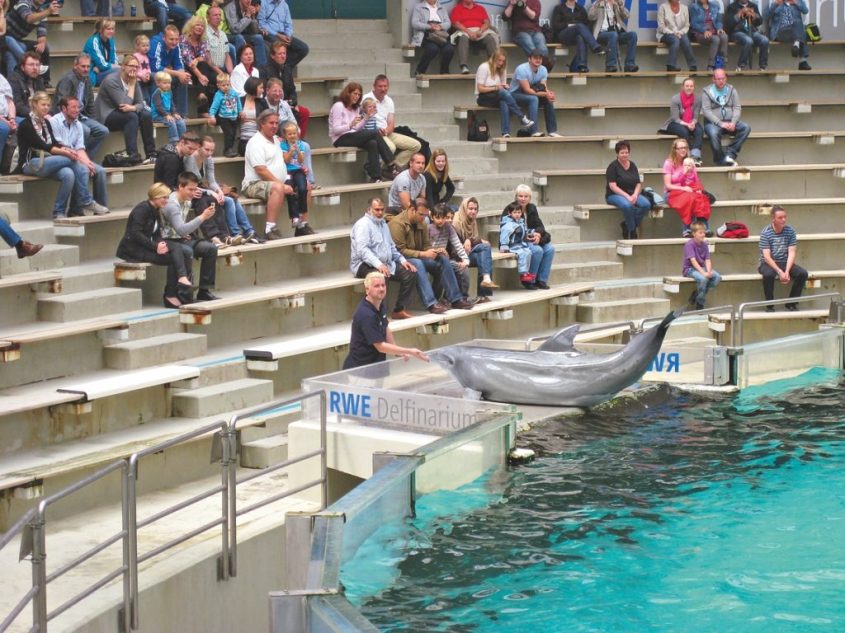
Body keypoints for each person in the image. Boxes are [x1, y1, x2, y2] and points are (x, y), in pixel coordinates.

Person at [18, 92, 105, 218]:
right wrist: (68, 153)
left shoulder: (46, 123)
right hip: (31, 163)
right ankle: (86, 200)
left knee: (68, 174)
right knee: (72, 160)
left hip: (49, 161)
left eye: (48, 105)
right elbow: (45, 146)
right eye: (43, 105)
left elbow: (54, 143)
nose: (46, 108)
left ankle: (59, 211)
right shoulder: (26, 124)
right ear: (35, 104)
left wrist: (68, 150)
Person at [116, 182, 195, 308]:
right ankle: (171, 293)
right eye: (164, 197)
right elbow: (135, 233)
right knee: (174, 257)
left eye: (168, 197)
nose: (167, 201)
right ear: (155, 197)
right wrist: (155, 246)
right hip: (133, 250)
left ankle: (181, 287)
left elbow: (157, 232)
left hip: (147, 246)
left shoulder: (156, 209)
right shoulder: (142, 209)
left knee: (181, 250)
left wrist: (160, 244)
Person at [389, 196, 474, 313]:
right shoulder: (397, 224)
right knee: (418, 263)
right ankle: (431, 303)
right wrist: (424, 253)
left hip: (418, 256)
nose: (424, 218)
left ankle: (456, 299)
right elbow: (399, 251)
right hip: (400, 260)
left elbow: (426, 245)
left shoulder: (422, 223)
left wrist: (435, 251)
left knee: (443, 259)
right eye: (421, 214)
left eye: (425, 215)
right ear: (412, 210)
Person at [349, 197, 420, 320]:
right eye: (377, 210)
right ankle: (379, 314)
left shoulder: (383, 224)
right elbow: (363, 251)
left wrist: (403, 261)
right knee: (380, 277)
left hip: (386, 263)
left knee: (410, 272)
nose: (380, 212)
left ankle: (399, 310)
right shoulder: (363, 225)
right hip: (363, 265)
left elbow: (392, 247)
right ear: (369, 210)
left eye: (382, 209)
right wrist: (379, 265)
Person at [342, 271, 430, 370]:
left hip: (376, 365)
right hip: (360, 369)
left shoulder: (379, 304)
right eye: (376, 286)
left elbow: (385, 327)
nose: (381, 289)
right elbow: (380, 346)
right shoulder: (367, 315)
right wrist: (409, 351)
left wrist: (397, 352)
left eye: (383, 285)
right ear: (367, 290)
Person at [159, 171, 220, 302]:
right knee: (186, 251)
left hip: (181, 238)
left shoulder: (187, 201)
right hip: (167, 241)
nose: (193, 193)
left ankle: (204, 291)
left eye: (195, 189)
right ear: (180, 187)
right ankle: (181, 293)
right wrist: (202, 217)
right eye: (190, 189)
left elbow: (182, 229)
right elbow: (181, 230)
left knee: (210, 249)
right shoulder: (171, 204)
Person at [185, 135, 258, 244]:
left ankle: (247, 231)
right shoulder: (190, 159)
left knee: (232, 199)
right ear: (199, 147)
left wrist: (219, 191)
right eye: (207, 149)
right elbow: (192, 183)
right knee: (227, 201)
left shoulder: (208, 159)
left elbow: (211, 180)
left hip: (203, 189)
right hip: (194, 191)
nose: (209, 153)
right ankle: (235, 233)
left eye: (212, 150)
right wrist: (212, 193)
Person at [50, 95, 110, 217]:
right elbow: (60, 147)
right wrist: (83, 162)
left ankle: (100, 207)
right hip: (61, 157)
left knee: (99, 171)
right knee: (82, 169)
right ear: (64, 108)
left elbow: (80, 148)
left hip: (75, 157)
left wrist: (88, 162)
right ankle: (78, 207)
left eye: (78, 107)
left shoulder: (78, 124)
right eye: (73, 107)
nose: (77, 110)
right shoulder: (54, 122)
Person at [241, 109, 296, 240]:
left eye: (276, 123)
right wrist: (281, 185)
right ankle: (270, 229)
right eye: (271, 123)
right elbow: (261, 170)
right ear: (262, 124)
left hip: (275, 182)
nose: (275, 126)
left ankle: (301, 225)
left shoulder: (276, 140)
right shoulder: (256, 142)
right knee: (278, 188)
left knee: (305, 185)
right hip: (253, 184)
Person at [94, 55, 157, 165]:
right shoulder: (111, 80)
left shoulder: (133, 80)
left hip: (125, 112)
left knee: (146, 115)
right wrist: (131, 86)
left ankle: (151, 154)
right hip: (107, 115)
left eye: (136, 67)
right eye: (131, 66)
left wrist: (133, 107)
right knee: (131, 117)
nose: (134, 69)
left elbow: (141, 103)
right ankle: (133, 155)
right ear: (123, 66)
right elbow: (124, 104)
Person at [328, 82, 396, 184]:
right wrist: (350, 125)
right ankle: (391, 165)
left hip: (352, 135)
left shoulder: (356, 108)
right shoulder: (338, 106)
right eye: (354, 94)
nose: (357, 97)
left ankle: (375, 177)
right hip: (340, 138)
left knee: (372, 143)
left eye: (359, 95)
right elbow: (335, 130)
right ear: (348, 93)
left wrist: (367, 117)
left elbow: (357, 128)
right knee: (374, 133)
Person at [53, 54, 109, 159]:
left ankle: (86, 158)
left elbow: (91, 103)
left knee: (103, 131)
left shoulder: (87, 79)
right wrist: (72, 119)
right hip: (68, 117)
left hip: (81, 115)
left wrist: (94, 121)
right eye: (83, 66)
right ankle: (76, 157)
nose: (86, 69)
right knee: (85, 130)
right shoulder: (67, 80)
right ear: (75, 66)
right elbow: (61, 103)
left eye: (88, 66)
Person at [363, 75, 422, 172]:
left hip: (387, 132)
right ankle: (375, 168)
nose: (383, 89)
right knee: (391, 147)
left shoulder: (389, 101)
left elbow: (391, 122)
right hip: (373, 133)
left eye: (385, 86)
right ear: (374, 86)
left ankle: (390, 167)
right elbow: (361, 119)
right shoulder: (366, 98)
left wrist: (386, 131)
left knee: (416, 145)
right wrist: (376, 132)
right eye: (380, 86)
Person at [758, 206, 807, 312]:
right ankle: (769, 305)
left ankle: (791, 303)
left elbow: (792, 252)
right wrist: (780, 272)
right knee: (768, 274)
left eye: (785, 217)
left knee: (802, 274)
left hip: (785, 262)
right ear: (773, 218)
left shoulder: (790, 231)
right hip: (768, 263)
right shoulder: (765, 233)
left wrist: (787, 271)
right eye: (780, 218)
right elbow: (766, 257)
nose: (783, 220)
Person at [475, 48, 532, 138]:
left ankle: (505, 133)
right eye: (499, 60)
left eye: (503, 61)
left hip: (497, 95)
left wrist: (505, 86)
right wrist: (496, 87)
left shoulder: (502, 69)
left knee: (504, 101)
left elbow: (502, 87)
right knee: (503, 94)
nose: (501, 63)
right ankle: (521, 117)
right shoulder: (484, 67)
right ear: (493, 58)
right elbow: (480, 88)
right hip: (483, 97)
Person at [506, 184, 555, 289]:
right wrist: (529, 237)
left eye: (526, 196)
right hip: (517, 240)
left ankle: (541, 280)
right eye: (520, 196)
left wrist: (538, 235)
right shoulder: (510, 209)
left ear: (530, 198)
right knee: (537, 250)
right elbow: (510, 231)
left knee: (550, 249)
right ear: (516, 197)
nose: (523, 199)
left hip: (531, 237)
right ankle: (529, 281)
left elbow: (540, 225)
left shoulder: (531, 208)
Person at [259, 42, 310, 137]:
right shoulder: (264, 70)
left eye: (284, 53)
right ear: (272, 55)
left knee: (304, 112)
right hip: (271, 103)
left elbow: (292, 89)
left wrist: (293, 102)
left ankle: (298, 139)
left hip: (287, 103)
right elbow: (265, 91)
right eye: (279, 54)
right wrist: (280, 101)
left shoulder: (287, 69)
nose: (283, 56)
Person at [701, 68, 750, 167]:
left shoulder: (732, 90)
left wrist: (733, 122)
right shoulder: (707, 92)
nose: (721, 81)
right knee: (713, 133)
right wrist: (720, 123)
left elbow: (737, 107)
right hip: (713, 123)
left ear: (726, 78)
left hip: (730, 121)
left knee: (746, 128)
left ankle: (730, 154)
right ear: (713, 79)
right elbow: (706, 111)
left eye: (723, 78)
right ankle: (720, 160)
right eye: (718, 79)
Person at [452, 197, 497, 303]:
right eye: (470, 208)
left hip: (468, 253)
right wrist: (472, 240)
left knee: (484, 257)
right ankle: (485, 286)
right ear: (464, 208)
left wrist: (470, 240)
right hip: (457, 254)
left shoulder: (472, 221)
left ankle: (482, 295)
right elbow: (458, 245)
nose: (473, 211)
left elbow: (473, 240)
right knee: (485, 248)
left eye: (475, 209)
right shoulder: (456, 222)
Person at [663, 139, 711, 236]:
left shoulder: (690, 162)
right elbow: (668, 185)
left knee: (701, 198)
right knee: (690, 199)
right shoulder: (669, 163)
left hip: (689, 191)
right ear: (675, 150)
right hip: (671, 192)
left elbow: (696, 180)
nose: (683, 150)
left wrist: (699, 189)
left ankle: (704, 229)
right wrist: (683, 188)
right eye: (680, 148)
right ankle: (687, 229)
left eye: (685, 148)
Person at [606, 140, 651, 239]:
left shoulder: (633, 165)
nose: (625, 155)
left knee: (646, 204)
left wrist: (635, 195)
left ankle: (627, 224)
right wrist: (627, 196)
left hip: (632, 193)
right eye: (622, 153)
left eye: (626, 152)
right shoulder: (612, 166)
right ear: (617, 153)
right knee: (627, 205)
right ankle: (633, 231)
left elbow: (638, 183)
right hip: (614, 195)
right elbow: (613, 186)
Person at [510, 49, 559, 138]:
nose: (538, 60)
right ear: (529, 59)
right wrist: (545, 94)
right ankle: (533, 131)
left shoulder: (543, 69)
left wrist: (549, 94)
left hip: (532, 92)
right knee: (533, 99)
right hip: (515, 94)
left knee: (548, 100)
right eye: (535, 58)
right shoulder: (521, 69)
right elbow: (527, 90)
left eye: (540, 58)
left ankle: (552, 131)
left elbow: (543, 87)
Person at [428, 203, 472, 303]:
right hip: (431, 258)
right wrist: (437, 250)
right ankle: (436, 300)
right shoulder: (429, 228)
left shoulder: (448, 227)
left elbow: (457, 244)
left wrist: (465, 260)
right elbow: (425, 246)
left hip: (444, 258)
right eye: (437, 218)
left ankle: (463, 298)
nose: (440, 221)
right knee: (440, 270)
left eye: (443, 218)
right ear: (432, 217)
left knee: (462, 268)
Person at [4, 0, 55, 84]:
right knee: (9, 46)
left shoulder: (42, 12)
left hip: (18, 41)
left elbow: (42, 34)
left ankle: (45, 81)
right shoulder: (23, 3)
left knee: (44, 48)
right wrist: (49, 11)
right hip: (4, 37)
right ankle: (28, 62)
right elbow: (29, 18)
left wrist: (41, 43)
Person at [180, 16, 221, 115]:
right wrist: (200, 76)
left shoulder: (203, 40)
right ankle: (203, 109)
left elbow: (204, 57)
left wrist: (197, 59)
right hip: (186, 69)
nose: (200, 27)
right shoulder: (183, 39)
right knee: (203, 68)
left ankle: (215, 109)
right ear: (191, 26)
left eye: (202, 26)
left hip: (201, 70)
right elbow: (189, 62)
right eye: (197, 25)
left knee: (217, 78)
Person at [551, 0, 605, 73]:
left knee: (580, 36)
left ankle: (582, 65)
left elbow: (587, 25)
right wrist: (569, 25)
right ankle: (595, 47)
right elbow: (556, 25)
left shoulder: (580, 9)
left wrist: (578, 27)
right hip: (563, 35)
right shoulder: (559, 8)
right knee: (579, 26)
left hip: (576, 36)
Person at [279, 120, 313, 235]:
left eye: (294, 133)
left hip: (298, 170)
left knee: (303, 188)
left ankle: (302, 212)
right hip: (288, 171)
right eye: (290, 134)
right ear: (285, 135)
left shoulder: (300, 144)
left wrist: (298, 151)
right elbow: (286, 160)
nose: (292, 136)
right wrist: (291, 151)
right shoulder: (283, 145)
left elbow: (301, 160)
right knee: (290, 191)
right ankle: (294, 217)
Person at [587, 0, 639, 73]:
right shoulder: (598, 5)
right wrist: (597, 4)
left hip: (617, 33)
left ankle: (629, 65)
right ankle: (610, 65)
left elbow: (627, 15)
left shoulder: (616, 5)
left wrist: (620, 4)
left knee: (632, 35)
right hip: (602, 33)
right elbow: (590, 17)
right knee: (613, 35)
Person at [662, 77, 704, 165]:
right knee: (684, 131)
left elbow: (696, 116)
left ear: (694, 87)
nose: (689, 88)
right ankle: (689, 156)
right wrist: (687, 124)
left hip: (690, 121)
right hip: (675, 123)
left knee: (699, 130)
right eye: (687, 86)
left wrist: (693, 123)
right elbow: (675, 118)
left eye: (691, 86)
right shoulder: (675, 99)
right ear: (682, 87)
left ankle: (696, 156)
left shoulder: (698, 99)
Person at [450, 0, 498, 75]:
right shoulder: (456, 9)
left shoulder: (480, 8)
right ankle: (464, 66)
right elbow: (456, 24)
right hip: (465, 31)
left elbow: (487, 23)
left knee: (490, 39)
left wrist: (480, 31)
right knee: (463, 38)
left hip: (479, 31)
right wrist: (469, 32)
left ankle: (494, 66)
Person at [257, 0, 309, 69]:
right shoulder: (264, 3)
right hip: (271, 34)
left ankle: (285, 67)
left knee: (303, 48)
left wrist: (288, 35)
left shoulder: (284, 4)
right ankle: (281, 67)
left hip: (284, 34)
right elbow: (261, 24)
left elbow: (289, 24)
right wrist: (278, 35)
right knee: (278, 45)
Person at [410, 0, 454, 76]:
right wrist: (429, 27)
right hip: (426, 34)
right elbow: (415, 23)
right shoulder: (419, 7)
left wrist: (440, 26)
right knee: (432, 49)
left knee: (449, 49)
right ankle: (420, 71)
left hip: (440, 34)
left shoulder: (442, 7)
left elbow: (448, 23)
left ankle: (444, 71)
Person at [683, 221, 720, 310]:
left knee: (717, 277)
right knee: (703, 279)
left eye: (704, 232)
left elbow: (707, 259)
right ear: (694, 234)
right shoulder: (689, 244)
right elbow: (693, 261)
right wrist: (704, 273)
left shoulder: (704, 244)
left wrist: (709, 271)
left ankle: (697, 293)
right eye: (700, 233)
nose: (703, 235)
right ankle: (700, 302)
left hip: (701, 268)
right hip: (690, 269)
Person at [500, 201, 537, 289]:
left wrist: (531, 232)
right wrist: (504, 246)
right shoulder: (508, 225)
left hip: (520, 244)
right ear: (510, 213)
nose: (517, 214)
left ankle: (526, 272)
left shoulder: (520, 222)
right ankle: (523, 273)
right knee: (522, 254)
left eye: (519, 212)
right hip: (512, 245)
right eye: (515, 212)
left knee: (528, 252)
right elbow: (504, 236)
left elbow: (524, 230)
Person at [766, 0, 811, 71]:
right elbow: (766, 16)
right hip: (780, 32)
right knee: (801, 31)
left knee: (798, 24)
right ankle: (802, 60)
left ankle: (797, 44)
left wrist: (795, 2)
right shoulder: (777, 2)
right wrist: (775, 4)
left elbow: (805, 11)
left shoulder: (798, 1)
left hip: (794, 32)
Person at [223, 0, 269, 68]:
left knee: (258, 38)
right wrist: (247, 16)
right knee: (239, 37)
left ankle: (262, 69)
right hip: (228, 35)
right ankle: (241, 68)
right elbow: (235, 30)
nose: (249, 1)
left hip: (242, 34)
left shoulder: (248, 7)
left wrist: (253, 16)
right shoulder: (231, 8)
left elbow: (255, 31)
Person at [725, 0, 768, 71]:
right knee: (748, 40)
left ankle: (763, 66)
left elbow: (760, 22)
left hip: (752, 31)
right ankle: (741, 65)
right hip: (737, 32)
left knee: (764, 40)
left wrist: (754, 15)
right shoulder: (732, 7)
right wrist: (740, 13)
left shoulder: (753, 6)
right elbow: (728, 24)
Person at [657, 0, 698, 72]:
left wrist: (680, 32)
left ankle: (693, 66)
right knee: (675, 39)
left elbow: (687, 25)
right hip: (665, 34)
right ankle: (671, 66)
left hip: (680, 33)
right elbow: (661, 27)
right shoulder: (663, 7)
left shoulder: (684, 8)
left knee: (685, 39)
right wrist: (673, 33)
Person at [503, 0, 549, 64]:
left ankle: (542, 66)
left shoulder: (535, 1)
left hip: (535, 31)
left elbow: (534, 17)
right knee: (530, 45)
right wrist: (511, 5)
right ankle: (543, 65)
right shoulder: (515, 1)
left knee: (542, 47)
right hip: (519, 33)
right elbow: (505, 17)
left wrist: (524, 6)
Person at [207, 72, 241, 157]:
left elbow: (238, 103)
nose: (226, 87)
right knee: (229, 134)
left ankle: (231, 149)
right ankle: (227, 150)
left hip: (234, 117)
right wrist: (212, 116)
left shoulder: (234, 93)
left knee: (233, 134)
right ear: (218, 85)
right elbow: (214, 107)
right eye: (223, 85)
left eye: (227, 85)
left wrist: (240, 111)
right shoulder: (218, 95)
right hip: (224, 118)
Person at [689, 0, 728, 71]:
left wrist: (719, 28)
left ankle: (722, 64)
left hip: (714, 30)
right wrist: (704, 30)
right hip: (699, 33)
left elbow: (719, 20)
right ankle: (710, 66)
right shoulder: (694, 7)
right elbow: (694, 24)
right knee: (715, 39)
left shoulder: (715, 5)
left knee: (724, 36)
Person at [151, 71, 186, 143]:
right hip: (158, 115)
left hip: (167, 115)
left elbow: (172, 105)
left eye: (169, 83)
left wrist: (174, 113)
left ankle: (184, 139)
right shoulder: (157, 93)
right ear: (158, 83)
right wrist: (166, 115)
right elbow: (159, 107)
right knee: (171, 122)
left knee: (181, 121)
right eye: (165, 83)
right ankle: (174, 142)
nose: (167, 85)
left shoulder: (169, 92)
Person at [388, 152, 427, 216]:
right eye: (418, 163)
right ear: (411, 163)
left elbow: (422, 199)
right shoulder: (403, 179)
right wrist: (419, 213)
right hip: (396, 211)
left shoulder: (422, 178)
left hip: (411, 209)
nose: (421, 166)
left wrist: (424, 210)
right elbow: (406, 205)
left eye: (423, 163)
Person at [10, 50, 45, 119]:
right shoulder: (14, 79)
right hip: (20, 116)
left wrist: (48, 114)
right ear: (22, 67)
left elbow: (44, 100)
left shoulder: (39, 80)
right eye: (31, 65)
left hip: (37, 115)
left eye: (37, 65)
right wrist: (35, 114)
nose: (35, 68)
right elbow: (17, 106)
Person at [82, 18, 116, 87]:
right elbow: (101, 65)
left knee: (122, 71)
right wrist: (110, 66)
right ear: (101, 30)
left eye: (112, 29)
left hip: (102, 72)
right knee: (119, 71)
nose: (111, 31)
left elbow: (114, 60)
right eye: (108, 29)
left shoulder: (111, 41)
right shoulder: (93, 41)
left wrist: (102, 68)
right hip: (93, 76)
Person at [204, 5, 235, 76]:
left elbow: (226, 55)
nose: (218, 17)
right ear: (208, 18)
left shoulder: (223, 34)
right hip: (211, 70)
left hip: (222, 69)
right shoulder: (205, 34)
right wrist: (222, 74)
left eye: (219, 15)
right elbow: (208, 59)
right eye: (215, 15)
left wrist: (231, 73)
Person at [237, 75, 263, 154]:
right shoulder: (239, 101)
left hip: (258, 139)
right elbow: (232, 116)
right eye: (261, 88)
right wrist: (239, 117)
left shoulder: (262, 102)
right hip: (244, 139)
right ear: (253, 87)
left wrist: (253, 119)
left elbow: (267, 118)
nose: (263, 90)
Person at [0, 71, 16, 174]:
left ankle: (14, 167)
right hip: (1, 119)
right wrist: (5, 121)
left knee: (25, 124)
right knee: (3, 129)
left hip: (6, 117)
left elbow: (10, 101)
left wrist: (12, 119)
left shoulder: (1, 78)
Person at [133, 35, 153, 101]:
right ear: (137, 46)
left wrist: (148, 74)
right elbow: (134, 70)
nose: (146, 48)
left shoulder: (146, 56)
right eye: (143, 46)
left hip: (145, 80)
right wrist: (141, 76)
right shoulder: (135, 56)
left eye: (147, 45)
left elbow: (148, 67)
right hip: (138, 81)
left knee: (147, 96)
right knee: (141, 97)